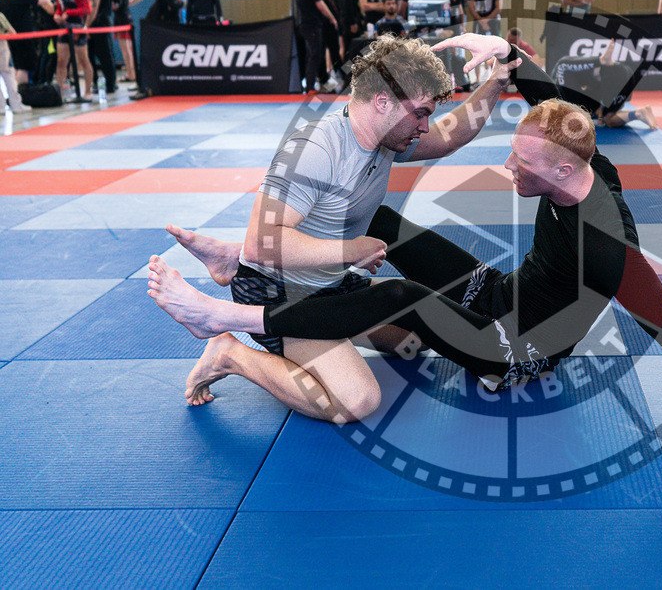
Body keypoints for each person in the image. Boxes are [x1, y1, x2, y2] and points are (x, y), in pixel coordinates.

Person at [147, 40, 662, 491]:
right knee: (385, 224)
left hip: (512, 348)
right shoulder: (583, 161)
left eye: (521, 167)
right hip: (503, 293)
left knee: (403, 297)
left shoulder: (608, 252)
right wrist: (501, 52)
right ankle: (242, 255)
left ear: (559, 172)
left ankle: (234, 316)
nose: (508, 170)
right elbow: (550, 104)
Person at [152, 33, 529, 428]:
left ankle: (246, 274)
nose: (424, 126)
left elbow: (450, 135)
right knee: (357, 400)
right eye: (419, 113)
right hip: (282, 293)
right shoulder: (315, 148)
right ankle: (230, 353)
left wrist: (499, 76)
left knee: (410, 344)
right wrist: (349, 250)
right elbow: (262, 244)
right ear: (383, 102)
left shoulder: (385, 137)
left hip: (329, 285)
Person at [550, 40, 657, 129]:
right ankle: (638, 113)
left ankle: (602, 61)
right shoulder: (585, 106)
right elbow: (607, 118)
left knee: (562, 66)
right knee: (608, 119)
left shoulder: (568, 103)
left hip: (600, 85)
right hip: (618, 78)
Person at [38, 0, 93, 102]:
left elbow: (87, 9)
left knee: (83, 60)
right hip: (64, 28)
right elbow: (59, 8)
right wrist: (57, 14)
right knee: (61, 61)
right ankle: (61, 93)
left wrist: (69, 12)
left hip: (77, 27)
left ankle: (88, 91)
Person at [295, 0, 338, 94]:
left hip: (307, 24)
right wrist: (332, 19)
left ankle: (310, 85)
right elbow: (321, 5)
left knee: (312, 54)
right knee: (315, 55)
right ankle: (310, 87)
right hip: (311, 25)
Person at [79, 0, 117, 97]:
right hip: (103, 22)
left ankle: (110, 84)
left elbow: (93, 8)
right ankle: (109, 83)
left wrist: (86, 26)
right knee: (103, 54)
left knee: (104, 55)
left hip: (99, 25)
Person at [107, 0, 142, 83]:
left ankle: (131, 74)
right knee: (129, 48)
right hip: (128, 17)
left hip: (120, 19)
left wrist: (118, 6)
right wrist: (127, 4)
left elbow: (116, 4)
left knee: (125, 49)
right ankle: (132, 72)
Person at [0, 0, 38, 85]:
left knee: (16, 66)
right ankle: (22, 94)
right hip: (22, 36)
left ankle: (16, 96)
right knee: (23, 67)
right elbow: (42, 1)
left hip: (8, 37)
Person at [0, 10, 31, 113]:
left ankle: (1, 107)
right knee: (8, 75)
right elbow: (12, 32)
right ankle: (16, 105)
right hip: (1, 47)